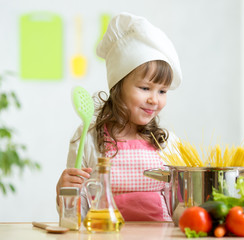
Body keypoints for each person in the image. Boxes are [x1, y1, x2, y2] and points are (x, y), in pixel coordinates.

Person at [56, 12, 182, 221]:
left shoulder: (168, 143)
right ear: (118, 86)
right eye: (145, 88)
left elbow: (180, 210)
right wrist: (66, 192)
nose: (154, 100)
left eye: (162, 91)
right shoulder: (87, 138)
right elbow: (73, 220)